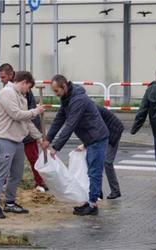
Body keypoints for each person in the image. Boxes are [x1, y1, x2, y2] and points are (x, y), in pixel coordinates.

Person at [41, 74, 109, 216]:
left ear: (64, 86)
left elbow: (70, 125)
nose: (55, 94)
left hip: (97, 138)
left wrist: (56, 147)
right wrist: (48, 139)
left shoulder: (78, 100)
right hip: (90, 139)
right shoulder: (67, 99)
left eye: (56, 91)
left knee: (94, 173)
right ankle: (89, 200)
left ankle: (92, 205)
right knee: (90, 171)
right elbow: (59, 119)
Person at [0, 71, 44, 219]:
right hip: (4, 138)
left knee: (16, 174)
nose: (28, 91)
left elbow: (26, 121)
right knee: (1, 172)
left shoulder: (22, 97)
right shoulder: (7, 93)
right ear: (23, 82)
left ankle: (10, 202)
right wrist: (36, 111)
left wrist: (39, 138)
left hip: (17, 139)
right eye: (29, 87)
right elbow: (16, 114)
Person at [0, 63, 48, 192]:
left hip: (27, 128)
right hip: (13, 131)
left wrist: (38, 136)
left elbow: (24, 114)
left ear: (11, 75)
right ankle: (3, 184)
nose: (1, 80)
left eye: (3, 77)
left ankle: (40, 183)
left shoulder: (24, 90)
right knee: (8, 160)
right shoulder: (8, 91)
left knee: (33, 157)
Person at [76, 106, 124, 199]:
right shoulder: (86, 110)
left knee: (107, 162)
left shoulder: (91, 111)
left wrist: (85, 145)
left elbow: (96, 130)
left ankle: (115, 191)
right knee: (97, 162)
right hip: (106, 132)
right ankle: (98, 192)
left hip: (113, 132)